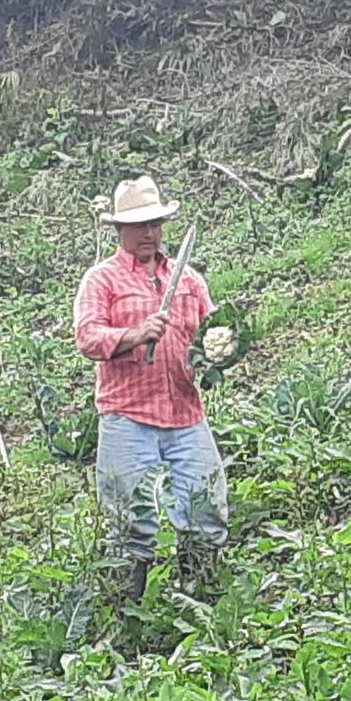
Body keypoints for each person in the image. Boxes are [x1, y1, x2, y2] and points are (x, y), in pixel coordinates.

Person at [73, 175, 229, 599]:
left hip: (185, 412)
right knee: (130, 520)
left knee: (205, 509)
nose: (149, 234)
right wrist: (135, 335)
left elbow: (211, 330)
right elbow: (88, 337)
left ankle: (198, 605)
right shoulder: (101, 280)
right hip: (128, 414)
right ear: (120, 230)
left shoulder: (188, 279)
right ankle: (125, 617)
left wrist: (221, 350)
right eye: (139, 226)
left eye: (155, 224)